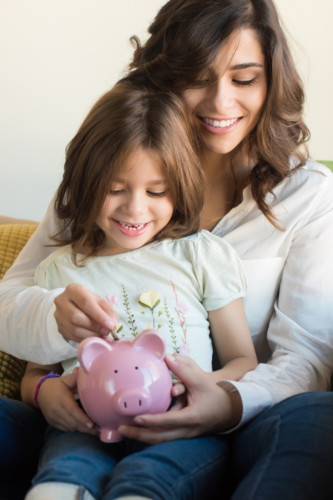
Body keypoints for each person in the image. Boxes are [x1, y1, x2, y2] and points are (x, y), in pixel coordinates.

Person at [1, 0, 333, 499]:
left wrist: (225, 402)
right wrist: (48, 373)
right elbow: (13, 301)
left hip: (242, 423)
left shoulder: (307, 195)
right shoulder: (101, 182)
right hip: (87, 424)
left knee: (318, 417)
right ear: (161, 76)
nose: (222, 103)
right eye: (198, 76)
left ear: (272, 82)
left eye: (244, 79)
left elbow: (305, 357)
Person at [20, 81, 256, 500]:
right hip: (86, 428)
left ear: (179, 187)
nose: (135, 208)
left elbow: (243, 359)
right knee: (65, 471)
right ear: (83, 180)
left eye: (156, 191)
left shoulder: (200, 255)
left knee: (150, 480)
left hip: (182, 427)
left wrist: (207, 388)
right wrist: (45, 392)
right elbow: (36, 373)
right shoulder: (59, 270)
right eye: (114, 189)